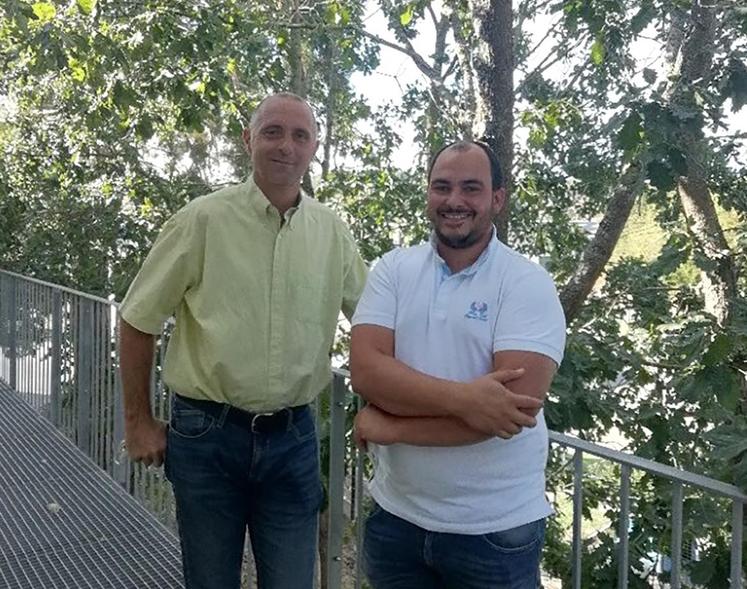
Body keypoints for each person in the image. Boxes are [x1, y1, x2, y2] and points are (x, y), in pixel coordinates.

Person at [118, 92, 368, 589]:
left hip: (293, 439)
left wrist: (395, 405)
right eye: (273, 132)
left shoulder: (332, 232)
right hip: (207, 436)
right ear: (248, 139)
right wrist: (139, 423)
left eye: (301, 135)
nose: (286, 146)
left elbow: (373, 325)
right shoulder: (202, 220)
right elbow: (137, 319)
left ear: (315, 146)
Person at [350, 140, 566, 589]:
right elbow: (368, 373)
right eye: (441, 186)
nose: (454, 201)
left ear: (497, 199)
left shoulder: (527, 283)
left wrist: (392, 427)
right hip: (396, 520)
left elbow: (508, 413)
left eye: (471, 188)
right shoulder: (393, 269)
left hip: (493, 533)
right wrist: (467, 398)